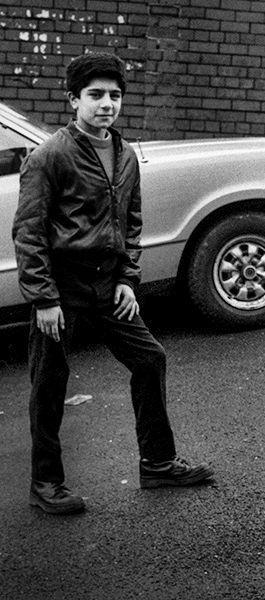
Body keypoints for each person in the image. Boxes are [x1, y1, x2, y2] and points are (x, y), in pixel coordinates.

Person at [12, 52, 214, 516]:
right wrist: (44, 299)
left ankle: (158, 464)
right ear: (73, 99)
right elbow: (29, 233)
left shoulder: (124, 155)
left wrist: (127, 279)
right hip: (61, 288)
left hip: (108, 285)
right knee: (48, 382)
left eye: (115, 96)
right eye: (96, 95)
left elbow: (131, 222)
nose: (107, 104)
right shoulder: (50, 156)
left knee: (149, 358)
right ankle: (45, 483)